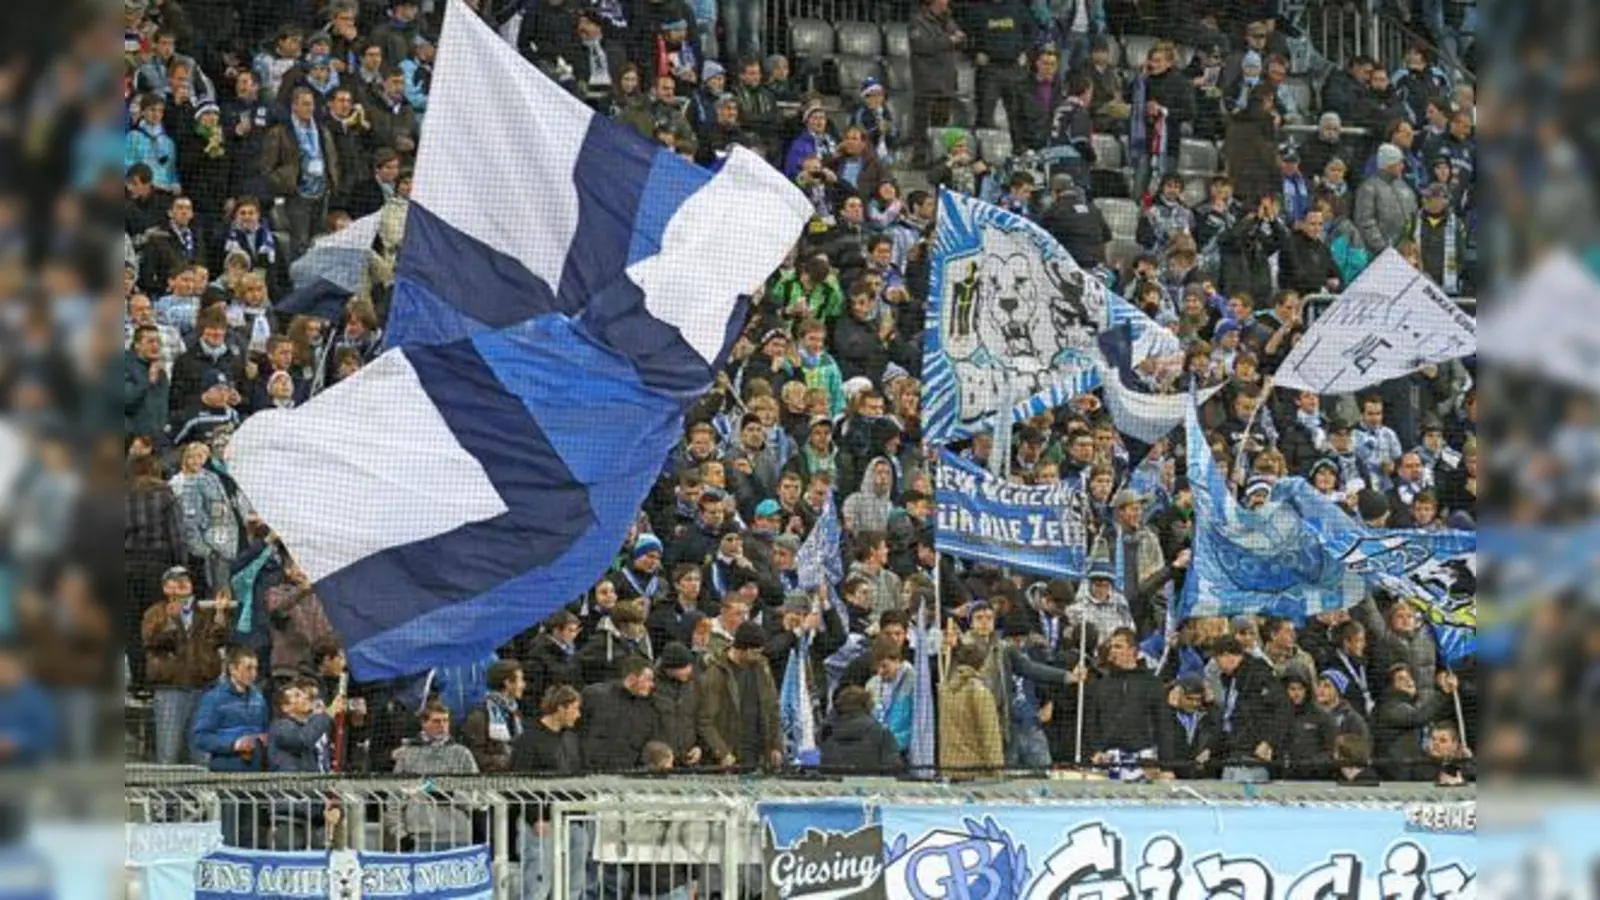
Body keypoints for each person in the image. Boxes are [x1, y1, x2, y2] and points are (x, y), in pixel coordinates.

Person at [142, 566, 232, 765]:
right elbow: (152, 641)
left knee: (201, 749)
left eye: (186, 579)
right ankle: (165, 795)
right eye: (175, 579)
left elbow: (220, 640)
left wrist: (219, 614)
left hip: (203, 688)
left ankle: (202, 792)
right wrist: (171, 621)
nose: (182, 582)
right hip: (170, 689)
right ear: (165, 587)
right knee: (168, 750)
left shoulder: (204, 611)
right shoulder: (155, 612)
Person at [511, 685, 588, 900]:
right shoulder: (529, 740)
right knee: (538, 883)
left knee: (574, 883)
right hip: (542, 821)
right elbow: (519, 782)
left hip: (572, 818)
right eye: (575, 708)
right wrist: (535, 816)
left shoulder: (571, 738)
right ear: (561, 708)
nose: (578, 714)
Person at [697, 622, 782, 769]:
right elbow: (705, 721)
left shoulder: (762, 669)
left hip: (758, 755)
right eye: (756, 652)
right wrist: (722, 752)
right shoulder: (715, 675)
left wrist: (776, 745)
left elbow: (772, 708)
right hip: (731, 757)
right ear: (743, 649)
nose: (759, 656)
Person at [578, 656, 661, 771]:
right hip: (592, 773)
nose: (652, 685)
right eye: (648, 679)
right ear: (632, 678)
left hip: (628, 775)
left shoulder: (647, 707)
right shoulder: (595, 696)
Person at [907, 0, 964, 166]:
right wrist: (949, 40)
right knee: (922, 126)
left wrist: (957, 39)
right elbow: (921, 45)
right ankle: (919, 160)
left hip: (946, 83)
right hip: (926, 82)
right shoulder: (917, 21)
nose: (947, 2)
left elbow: (960, 39)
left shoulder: (948, 20)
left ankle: (938, 159)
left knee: (941, 126)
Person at [938, 641, 1002, 777]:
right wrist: (998, 770)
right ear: (983, 664)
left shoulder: (945, 691)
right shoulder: (980, 693)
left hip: (949, 769)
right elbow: (991, 737)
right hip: (975, 773)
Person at [820, 685, 904, 773]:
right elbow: (893, 768)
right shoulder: (881, 733)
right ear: (868, 705)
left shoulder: (825, 732)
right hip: (871, 785)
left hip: (831, 786)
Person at [461, 659, 525, 773]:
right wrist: (508, 762)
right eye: (520, 680)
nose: (523, 685)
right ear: (507, 683)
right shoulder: (480, 716)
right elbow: (475, 755)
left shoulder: (514, 712)